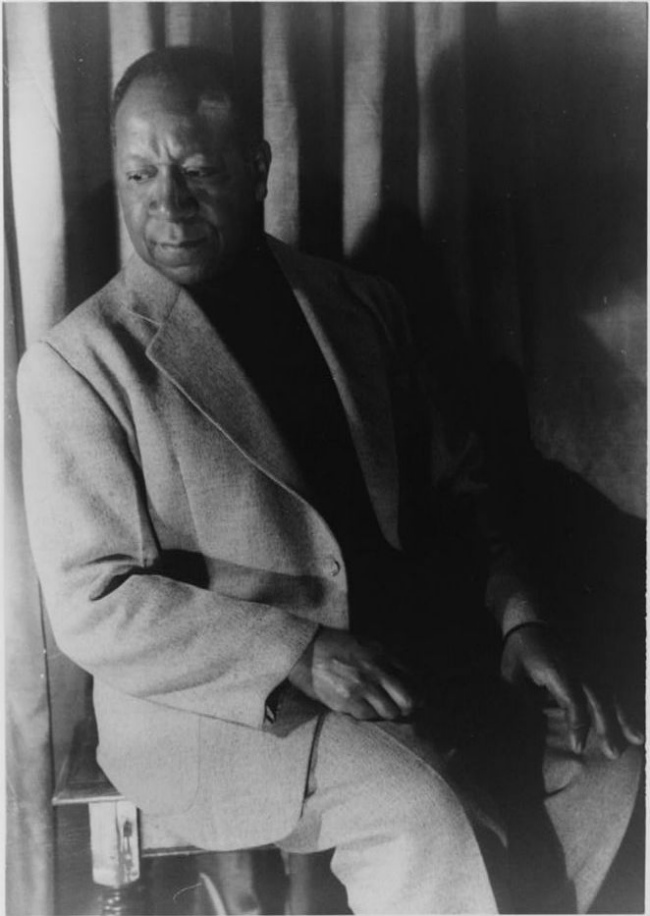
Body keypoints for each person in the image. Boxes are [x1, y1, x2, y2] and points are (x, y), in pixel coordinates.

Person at [18, 46, 642, 914]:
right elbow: (94, 599)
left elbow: (461, 490)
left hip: (410, 662)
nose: (168, 201)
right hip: (225, 710)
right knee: (419, 811)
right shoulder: (77, 366)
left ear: (259, 168)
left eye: (199, 169)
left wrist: (518, 620)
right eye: (139, 172)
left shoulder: (360, 304)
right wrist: (299, 654)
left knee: (610, 764)